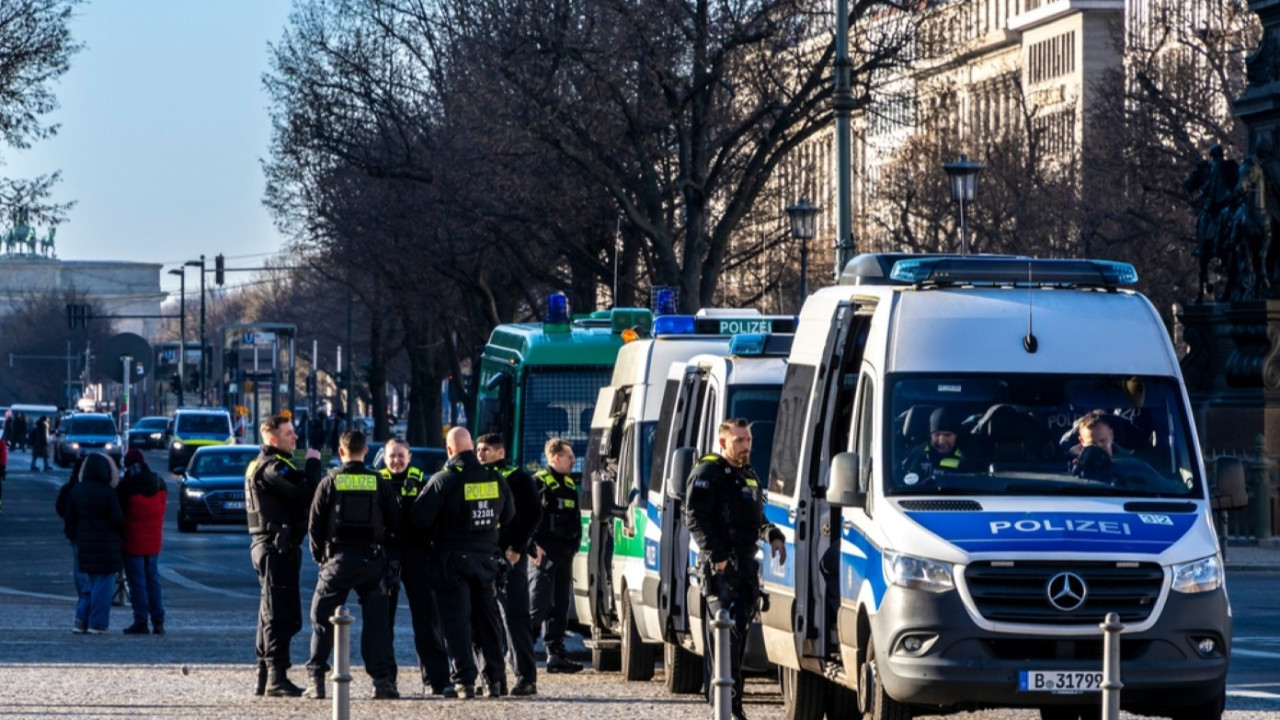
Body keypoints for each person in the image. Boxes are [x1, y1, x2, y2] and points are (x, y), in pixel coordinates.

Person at [684, 419, 786, 720]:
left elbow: (755, 518)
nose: (746, 446)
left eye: (748, 440)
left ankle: (733, 706)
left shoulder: (748, 475)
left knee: (737, 640)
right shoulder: (708, 472)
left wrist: (773, 535)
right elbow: (694, 517)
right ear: (723, 443)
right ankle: (721, 707)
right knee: (723, 638)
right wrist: (719, 559)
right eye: (739, 440)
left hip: (745, 569)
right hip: (721, 569)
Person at [413, 427, 514, 699]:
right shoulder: (495, 478)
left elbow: (420, 519)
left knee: (457, 624)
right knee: (488, 623)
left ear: (449, 450)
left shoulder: (444, 480)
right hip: (487, 561)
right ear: (471, 447)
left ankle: (464, 682)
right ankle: (495, 681)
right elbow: (509, 515)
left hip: (452, 562)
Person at [303, 429, 401, 700]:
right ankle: (382, 683)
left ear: (341, 451)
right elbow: (395, 520)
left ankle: (317, 681)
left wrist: (320, 557)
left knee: (322, 619)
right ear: (366, 451)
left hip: (338, 561)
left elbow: (315, 524)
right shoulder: (379, 482)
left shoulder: (330, 481)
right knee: (377, 624)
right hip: (372, 562)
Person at [245, 413, 323, 697]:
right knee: (279, 613)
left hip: (272, 545)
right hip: (276, 546)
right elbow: (305, 491)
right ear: (272, 437)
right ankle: (276, 677)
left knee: (269, 611)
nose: (295, 437)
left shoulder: (264, 463)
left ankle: (265, 676)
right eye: (289, 433)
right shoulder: (273, 466)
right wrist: (313, 463)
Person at [379, 438, 451, 695]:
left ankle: (437, 680)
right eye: (392, 456)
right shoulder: (376, 482)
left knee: (427, 620)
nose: (396, 461)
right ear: (384, 458)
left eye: (401, 456)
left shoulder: (422, 482)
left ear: (409, 457)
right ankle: (385, 679)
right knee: (382, 620)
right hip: (386, 553)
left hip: (418, 554)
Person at [476, 432, 542, 697]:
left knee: (515, 616)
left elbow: (532, 514)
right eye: (479, 450)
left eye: (486, 450)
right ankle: (493, 678)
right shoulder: (475, 476)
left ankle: (526, 677)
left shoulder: (517, 478)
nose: (481, 454)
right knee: (484, 618)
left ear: (501, 452)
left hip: (509, 556)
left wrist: (517, 547)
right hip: (483, 553)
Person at [529, 437, 584, 675]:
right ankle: (521, 649)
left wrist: (574, 546)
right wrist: (532, 546)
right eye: (569, 456)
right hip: (543, 554)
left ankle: (556, 654)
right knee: (539, 603)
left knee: (560, 605)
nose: (573, 460)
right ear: (555, 457)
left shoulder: (569, 485)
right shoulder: (538, 482)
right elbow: (526, 518)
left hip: (564, 554)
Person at [64, 452, 126, 634]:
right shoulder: (107, 493)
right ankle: (97, 623)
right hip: (106, 545)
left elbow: (70, 518)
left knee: (90, 584)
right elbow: (117, 520)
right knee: (103, 585)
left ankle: (80, 619)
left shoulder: (77, 490)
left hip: (85, 542)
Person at [117, 448, 167, 635]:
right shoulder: (158, 482)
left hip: (133, 541)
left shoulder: (126, 487)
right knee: (153, 580)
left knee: (137, 582)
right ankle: (158, 620)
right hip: (153, 540)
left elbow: (119, 515)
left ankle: (141, 620)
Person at [56, 456, 90, 632]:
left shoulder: (70, 487)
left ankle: (83, 596)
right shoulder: (91, 487)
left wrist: (69, 518)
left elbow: (60, 507)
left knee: (79, 564)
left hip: (74, 532)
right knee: (89, 567)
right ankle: (86, 596)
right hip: (88, 532)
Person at [901, 406, 968, 478]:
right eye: (937, 435)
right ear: (931, 435)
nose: (941, 441)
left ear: (956, 435)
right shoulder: (917, 453)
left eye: (947, 435)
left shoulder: (967, 455)